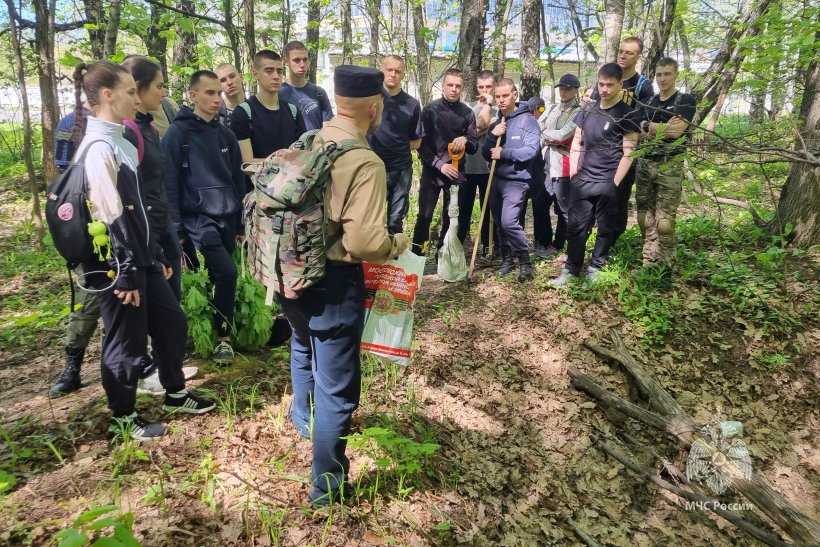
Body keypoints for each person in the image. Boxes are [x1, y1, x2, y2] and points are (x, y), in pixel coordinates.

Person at [278, 65, 409, 505]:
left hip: (290, 276)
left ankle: (304, 422)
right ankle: (326, 488)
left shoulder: (310, 141)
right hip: (333, 283)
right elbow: (364, 242)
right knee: (338, 389)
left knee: (301, 344)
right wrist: (397, 242)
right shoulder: (363, 160)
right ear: (374, 107)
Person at [71, 61, 214, 439]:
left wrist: (159, 255)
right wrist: (128, 271)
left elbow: (140, 209)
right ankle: (123, 415)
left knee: (171, 322)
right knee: (126, 340)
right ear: (107, 95)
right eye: (130, 92)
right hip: (116, 263)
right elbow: (109, 215)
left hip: (141, 254)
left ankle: (175, 393)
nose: (137, 98)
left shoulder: (118, 137)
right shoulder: (99, 147)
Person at [163, 70, 246, 364]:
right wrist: (177, 230)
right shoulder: (178, 133)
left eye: (219, 93)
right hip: (198, 219)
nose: (216, 98)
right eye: (209, 93)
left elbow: (238, 179)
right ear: (193, 95)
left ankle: (214, 325)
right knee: (228, 272)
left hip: (227, 215)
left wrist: (240, 223)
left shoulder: (225, 133)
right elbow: (169, 183)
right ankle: (223, 338)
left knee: (218, 275)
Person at [549, 63, 639, 286]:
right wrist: (574, 174)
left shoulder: (627, 115)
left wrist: (614, 183)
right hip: (583, 179)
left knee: (605, 227)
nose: (605, 89)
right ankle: (571, 271)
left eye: (610, 84)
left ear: (620, 84)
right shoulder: (588, 110)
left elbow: (629, 152)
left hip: (609, 180)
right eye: (601, 84)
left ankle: (595, 268)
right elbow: (577, 142)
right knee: (576, 226)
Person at [635, 57, 697, 286]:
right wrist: (659, 128)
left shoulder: (685, 100)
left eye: (667, 74)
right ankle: (649, 262)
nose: (662, 79)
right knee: (644, 216)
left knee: (664, 221)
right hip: (644, 162)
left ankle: (667, 266)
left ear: (676, 74)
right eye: (659, 74)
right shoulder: (648, 101)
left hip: (670, 164)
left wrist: (649, 127)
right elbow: (638, 130)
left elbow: (676, 132)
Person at [592, 37, 655, 249]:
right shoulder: (605, 78)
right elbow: (593, 108)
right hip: (599, 149)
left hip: (625, 150)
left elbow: (645, 119)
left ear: (638, 57)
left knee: (618, 196)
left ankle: (612, 243)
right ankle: (594, 240)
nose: (623, 55)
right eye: (621, 51)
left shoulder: (643, 86)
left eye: (629, 52)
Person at [413, 68, 478, 256]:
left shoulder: (467, 113)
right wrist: (440, 165)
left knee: (451, 217)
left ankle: (444, 254)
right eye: (450, 85)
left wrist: (465, 139)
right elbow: (421, 146)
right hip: (432, 171)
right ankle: (417, 256)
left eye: (458, 86)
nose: (454, 89)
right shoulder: (430, 109)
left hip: (457, 173)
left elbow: (474, 146)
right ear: (443, 86)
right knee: (424, 216)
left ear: (463, 88)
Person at [482, 78, 541, 281]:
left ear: (515, 95)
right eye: (497, 96)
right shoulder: (499, 122)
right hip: (496, 179)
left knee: (509, 222)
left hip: (517, 181)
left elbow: (531, 151)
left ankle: (525, 262)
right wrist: (492, 136)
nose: (501, 100)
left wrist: (504, 153)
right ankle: (507, 259)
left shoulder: (528, 120)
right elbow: (485, 153)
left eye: (505, 95)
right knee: (499, 222)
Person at [366, 55, 422, 235]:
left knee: (395, 221)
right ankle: (369, 261)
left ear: (403, 75)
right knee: (370, 218)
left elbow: (417, 141)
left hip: (401, 170)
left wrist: (397, 147)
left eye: (398, 71)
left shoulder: (411, 104)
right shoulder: (370, 99)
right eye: (389, 70)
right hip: (373, 168)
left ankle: (392, 261)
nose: (393, 74)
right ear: (382, 70)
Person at [231, 50, 307, 165]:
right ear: (255, 74)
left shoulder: (293, 111)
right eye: (269, 71)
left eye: (279, 71)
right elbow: (247, 162)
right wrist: (283, 162)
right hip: (257, 182)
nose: (276, 76)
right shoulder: (243, 113)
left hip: (292, 181)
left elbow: (303, 154)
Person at [536, 74, 583, 257]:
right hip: (545, 161)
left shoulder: (579, 112)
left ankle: (563, 244)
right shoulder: (552, 108)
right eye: (561, 88)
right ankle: (544, 242)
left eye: (568, 88)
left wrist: (548, 135)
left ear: (575, 90)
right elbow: (537, 128)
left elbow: (564, 135)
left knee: (563, 206)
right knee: (540, 203)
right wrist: (549, 136)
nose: (564, 91)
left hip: (564, 163)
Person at [458, 70, 500, 258]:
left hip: (489, 169)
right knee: (463, 210)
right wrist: (484, 125)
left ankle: (487, 247)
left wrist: (482, 126)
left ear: (494, 87)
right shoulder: (470, 108)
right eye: (481, 87)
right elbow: (477, 127)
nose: (485, 91)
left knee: (488, 210)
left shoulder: (501, 109)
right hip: (468, 167)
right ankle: (457, 247)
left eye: (488, 87)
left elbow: (479, 129)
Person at [279, 41, 334, 130]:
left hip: (316, 143)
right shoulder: (278, 95)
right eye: (297, 60)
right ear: (286, 62)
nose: (302, 65)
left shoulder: (319, 93)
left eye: (305, 60)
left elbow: (327, 129)